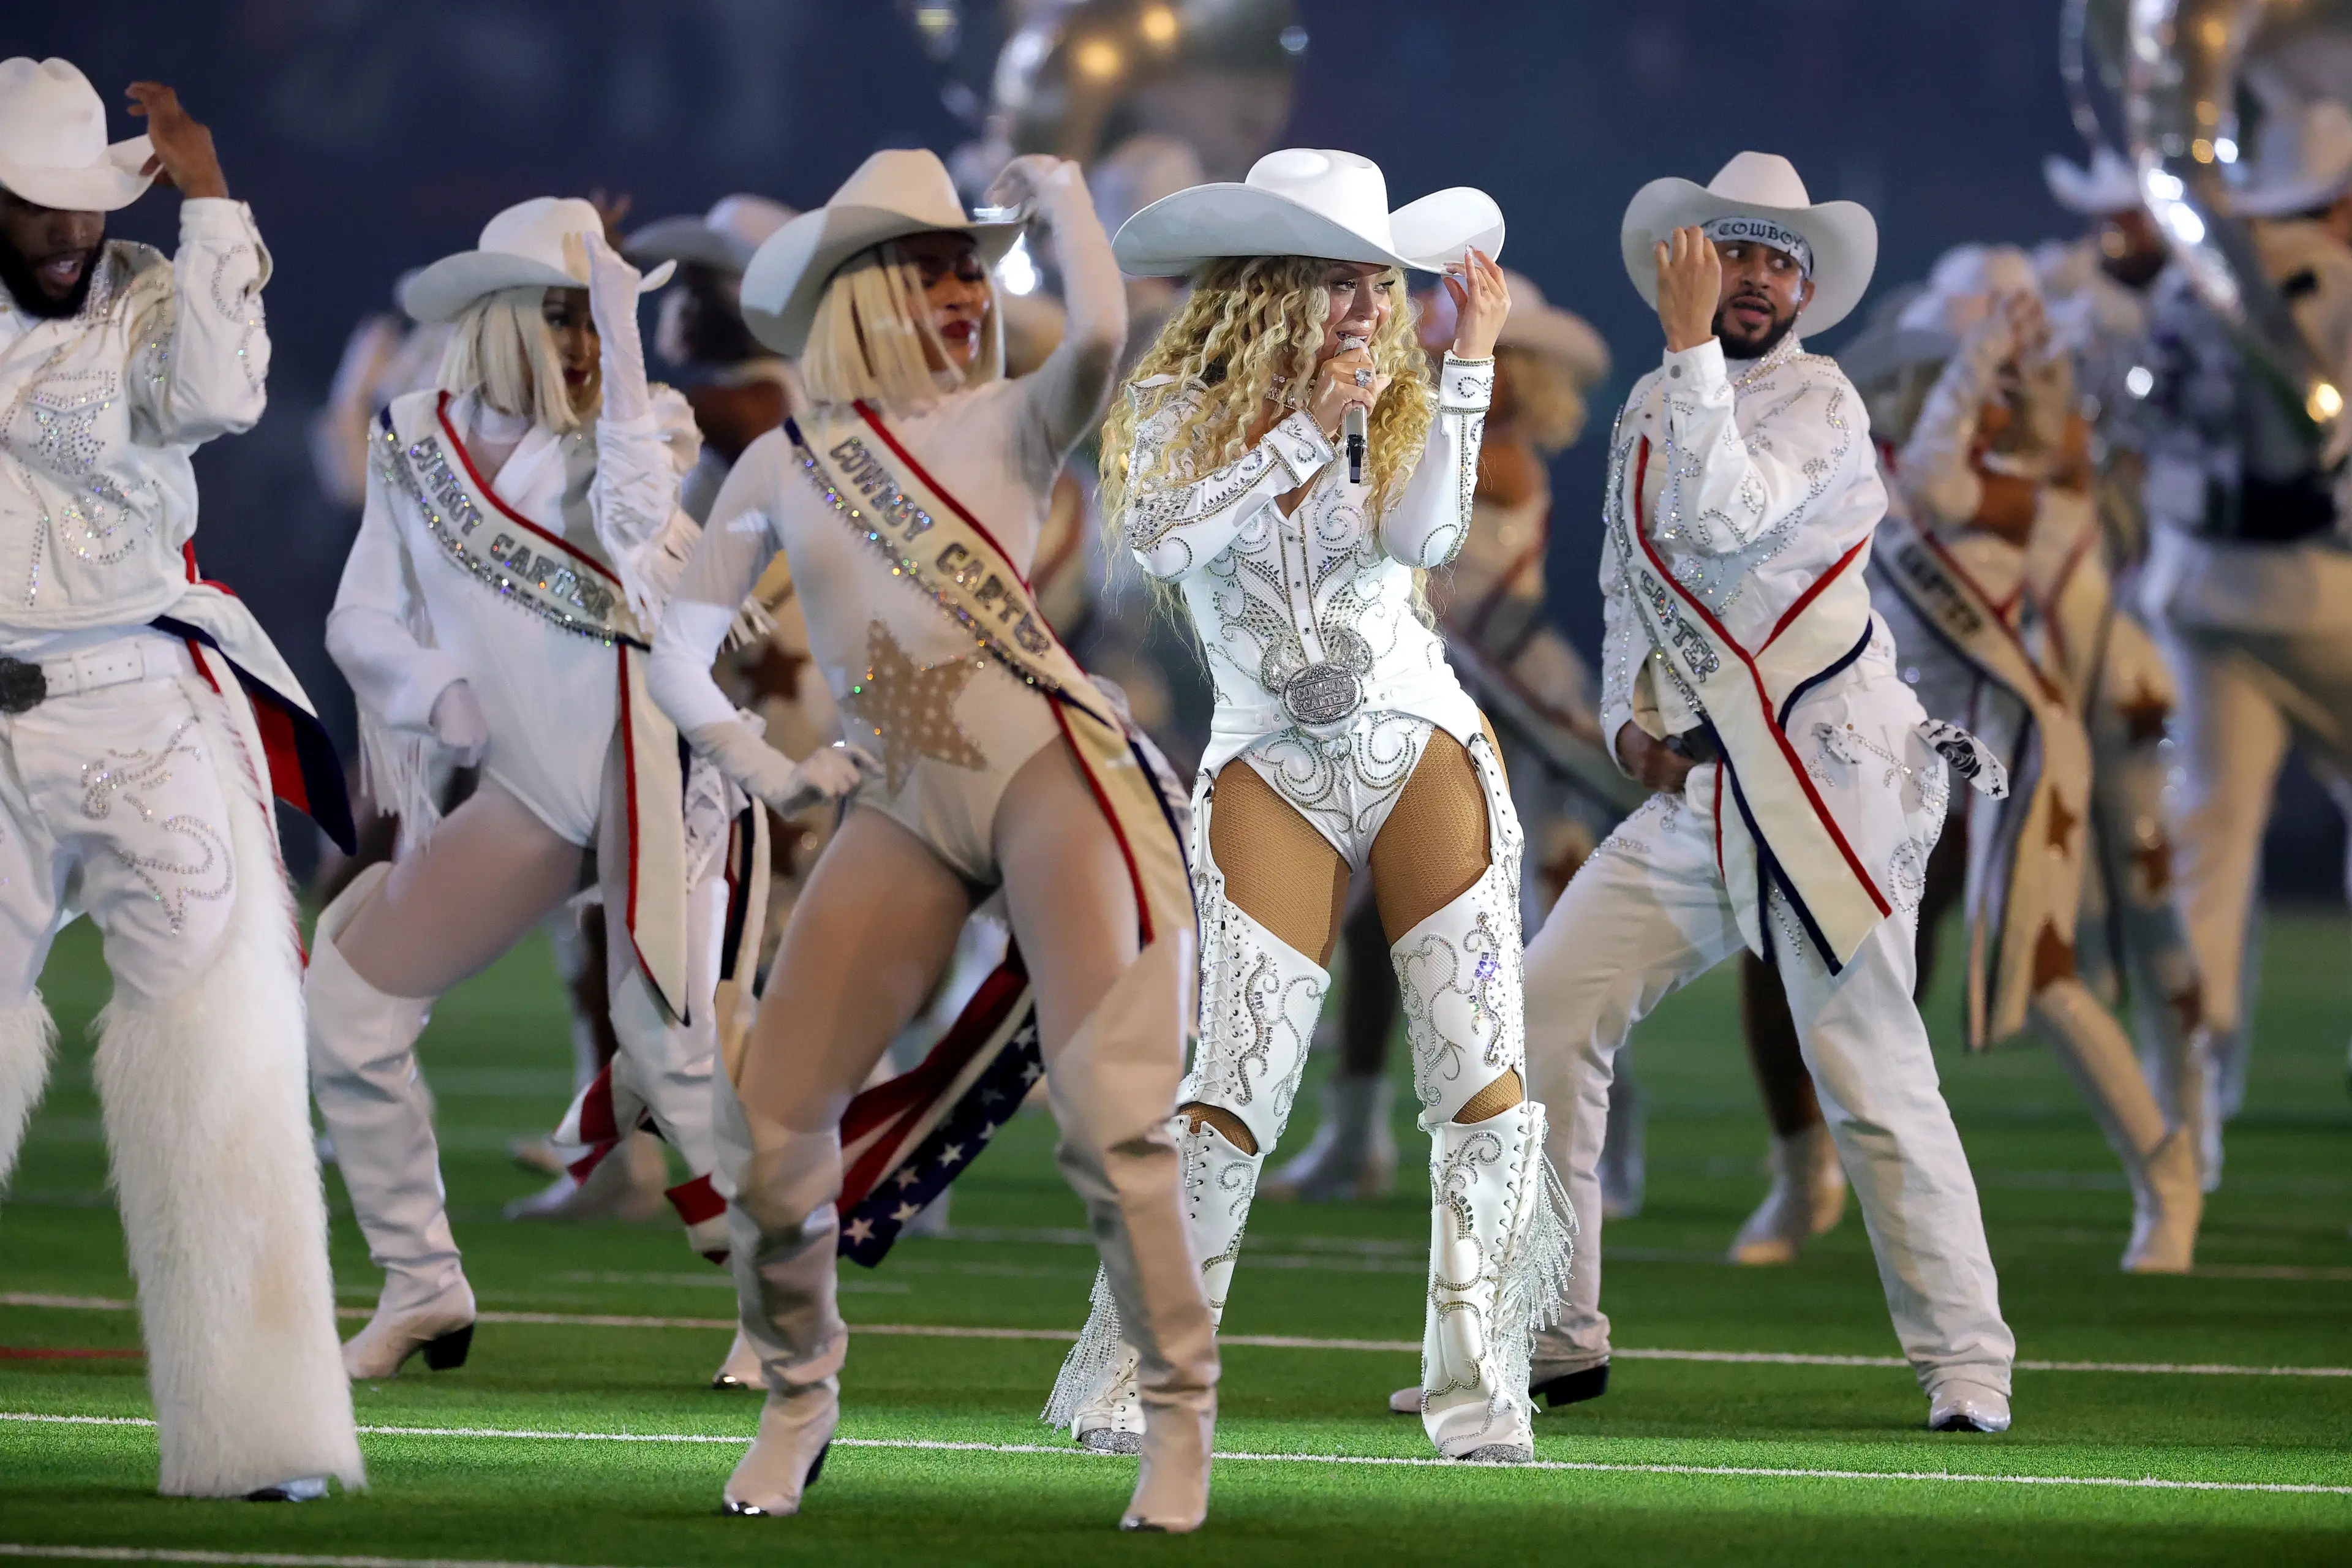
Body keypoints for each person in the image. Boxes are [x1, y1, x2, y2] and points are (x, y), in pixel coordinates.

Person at [646, 147, 1218, 1530]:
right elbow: (673, 642)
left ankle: (1178, 1418)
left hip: (1050, 775)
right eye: (940, 266)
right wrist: (758, 759)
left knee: (1113, 1122)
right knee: (770, 1128)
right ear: (860, 292)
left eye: (976, 263)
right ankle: (798, 1393)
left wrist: (1067, 195)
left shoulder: (1018, 419)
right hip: (898, 806)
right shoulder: (783, 461)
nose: (970, 289)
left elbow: (1095, 328)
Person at [1044, 148, 1570, 1466]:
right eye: (1331, 281)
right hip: (1268, 755)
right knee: (1230, 1089)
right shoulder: (1174, 399)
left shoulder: (1397, 394)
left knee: (1481, 1081)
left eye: (1372, 283)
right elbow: (1161, 541)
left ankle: (1479, 1390)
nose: (1358, 306)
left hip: (1418, 740)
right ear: (1263, 285)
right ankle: (1134, 1375)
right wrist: (1292, 429)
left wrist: (1463, 369)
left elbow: (1426, 541)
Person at [1518, 152, 2018, 1433]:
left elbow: (1730, 514)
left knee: (1868, 1067)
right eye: (1734, 251)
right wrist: (1633, 724)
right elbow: (1628, 578)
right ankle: (1553, 1333)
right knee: (1542, 1014)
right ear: (1694, 262)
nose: (1756, 276)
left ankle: (1968, 1364)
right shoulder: (1642, 403)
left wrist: (1689, 351)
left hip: (1826, 780)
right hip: (1705, 791)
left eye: (1779, 259)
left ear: (1805, 287)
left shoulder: (1827, 405)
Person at [309, 195, 810, 1381]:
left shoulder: (651, 426)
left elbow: (642, 528)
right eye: (564, 317)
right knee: (348, 1008)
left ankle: (779, 1309)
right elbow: (359, 613)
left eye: (597, 320)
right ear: (492, 319)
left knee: (680, 1054)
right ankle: (423, 1284)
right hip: (533, 791)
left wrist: (630, 351)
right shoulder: (412, 437)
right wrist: (433, 688)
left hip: (661, 780)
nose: (584, 343)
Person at [0, 58, 361, 1499]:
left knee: (227, 1077)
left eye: (89, 200)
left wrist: (211, 202)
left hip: (145, 709)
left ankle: (258, 1438)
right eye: (36, 205)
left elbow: (221, 397)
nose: (67, 230)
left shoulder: (158, 293)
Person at [1267, 270, 1646, 1213]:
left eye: (1473, 356)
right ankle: (1353, 1139)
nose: (1448, 370)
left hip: (1506, 706)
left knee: (1521, 939)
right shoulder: (1430, 435)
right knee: (1368, 928)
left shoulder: (1501, 454)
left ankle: (1604, 1139)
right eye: (1437, 355)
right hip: (1427, 697)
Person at [1864, 244, 2204, 1272]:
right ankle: (1850, 1192)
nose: (1999, 399)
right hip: (1920, 766)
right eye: (1977, 376)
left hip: (2019, 756)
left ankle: (2168, 1167)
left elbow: (1935, 481)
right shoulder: (1863, 473)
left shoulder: (2010, 492)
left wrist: (1978, 371)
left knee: (2048, 973)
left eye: (2007, 378)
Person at [2139, 98, 2352, 1169]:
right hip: (2324, 592)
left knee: (2208, 850)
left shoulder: (2192, 275)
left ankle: (2188, 1115)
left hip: (2202, 583)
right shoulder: (2340, 279)